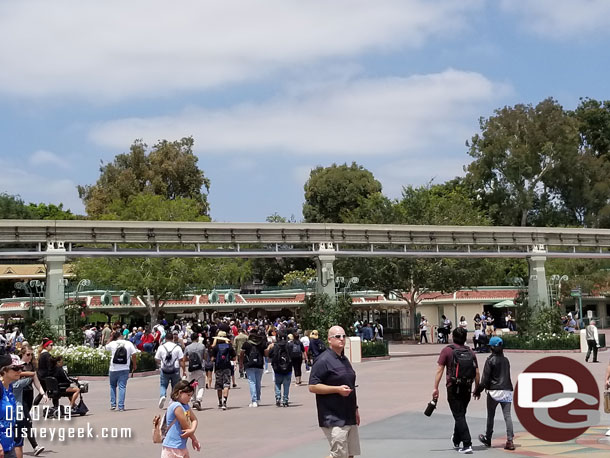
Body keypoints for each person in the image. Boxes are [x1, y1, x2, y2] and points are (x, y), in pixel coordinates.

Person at [309, 326, 360, 458]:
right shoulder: (323, 360)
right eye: (337, 336)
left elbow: (350, 385)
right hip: (333, 416)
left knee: (350, 454)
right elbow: (313, 386)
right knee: (338, 455)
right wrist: (336, 389)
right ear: (329, 340)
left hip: (348, 414)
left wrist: (355, 409)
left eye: (343, 336)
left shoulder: (344, 359)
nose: (341, 339)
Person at [432, 327, 480, 454]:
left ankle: (467, 443)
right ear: (465, 338)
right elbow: (476, 372)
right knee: (461, 413)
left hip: (453, 387)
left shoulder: (447, 351)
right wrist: (477, 387)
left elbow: (440, 370)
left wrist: (435, 388)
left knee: (458, 415)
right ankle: (457, 438)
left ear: (452, 337)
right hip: (467, 387)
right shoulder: (470, 351)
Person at [473, 337, 515, 451]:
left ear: (491, 347)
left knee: (491, 415)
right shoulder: (506, 360)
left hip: (494, 391)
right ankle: (510, 441)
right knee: (508, 416)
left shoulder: (490, 360)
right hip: (507, 390)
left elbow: (485, 379)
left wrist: (477, 391)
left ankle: (488, 438)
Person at [155, 380, 201, 458]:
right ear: (180, 393)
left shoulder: (185, 406)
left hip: (181, 446)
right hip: (172, 447)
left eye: (191, 395)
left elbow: (194, 420)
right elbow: (185, 426)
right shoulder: (176, 406)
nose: (190, 398)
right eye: (188, 395)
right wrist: (194, 439)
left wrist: (192, 430)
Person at [15, 347, 45, 456]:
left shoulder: (31, 366)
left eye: (31, 354)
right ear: (22, 354)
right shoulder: (18, 366)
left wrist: (42, 393)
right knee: (27, 421)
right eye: (28, 354)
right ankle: (35, 446)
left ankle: (15, 444)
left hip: (29, 395)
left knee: (22, 422)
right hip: (20, 395)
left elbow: (35, 380)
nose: (30, 357)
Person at [105, 330, 138, 411]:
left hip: (113, 368)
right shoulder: (128, 343)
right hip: (124, 368)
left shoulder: (112, 343)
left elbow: (106, 347)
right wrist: (134, 364)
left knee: (113, 386)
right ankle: (121, 406)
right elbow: (134, 354)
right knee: (122, 387)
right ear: (122, 336)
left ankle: (113, 404)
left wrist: (111, 338)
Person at [155, 331, 185, 409]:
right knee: (175, 386)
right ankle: (173, 401)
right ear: (172, 338)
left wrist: (161, 362)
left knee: (163, 385)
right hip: (175, 369)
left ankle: (162, 396)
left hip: (164, 369)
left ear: (165, 338)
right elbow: (181, 360)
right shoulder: (177, 347)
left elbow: (157, 358)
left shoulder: (161, 347)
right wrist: (184, 370)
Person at [0, 353, 21, 458]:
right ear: (4, 371)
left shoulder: (10, 387)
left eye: (21, 367)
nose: (20, 371)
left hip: (9, 444)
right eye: (16, 368)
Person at [240, 328, 268, 408]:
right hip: (259, 364)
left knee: (252, 382)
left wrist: (241, 363)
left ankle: (254, 401)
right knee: (258, 382)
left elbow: (241, 354)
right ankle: (258, 399)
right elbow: (266, 354)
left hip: (249, 364)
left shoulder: (246, 344)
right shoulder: (262, 343)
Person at [211, 330, 235, 410]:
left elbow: (212, 358)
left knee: (219, 385)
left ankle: (220, 402)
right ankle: (225, 401)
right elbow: (234, 357)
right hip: (227, 367)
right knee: (226, 384)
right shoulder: (229, 346)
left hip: (218, 367)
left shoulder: (216, 347)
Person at [269, 331, 292, 407]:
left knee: (277, 384)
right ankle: (285, 400)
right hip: (288, 369)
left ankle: (278, 398)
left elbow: (269, 355)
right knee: (286, 385)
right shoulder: (288, 346)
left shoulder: (275, 346)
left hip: (277, 369)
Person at [183, 332, 206, 410]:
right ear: (197, 338)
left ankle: (193, 401)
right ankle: (199, 399)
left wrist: (190, 360)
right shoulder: (202, 346)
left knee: (192, 386)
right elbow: (205, 357)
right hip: (200, 368)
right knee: (201, 386)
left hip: (191, 369)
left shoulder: (188, 347)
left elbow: (184, 359)